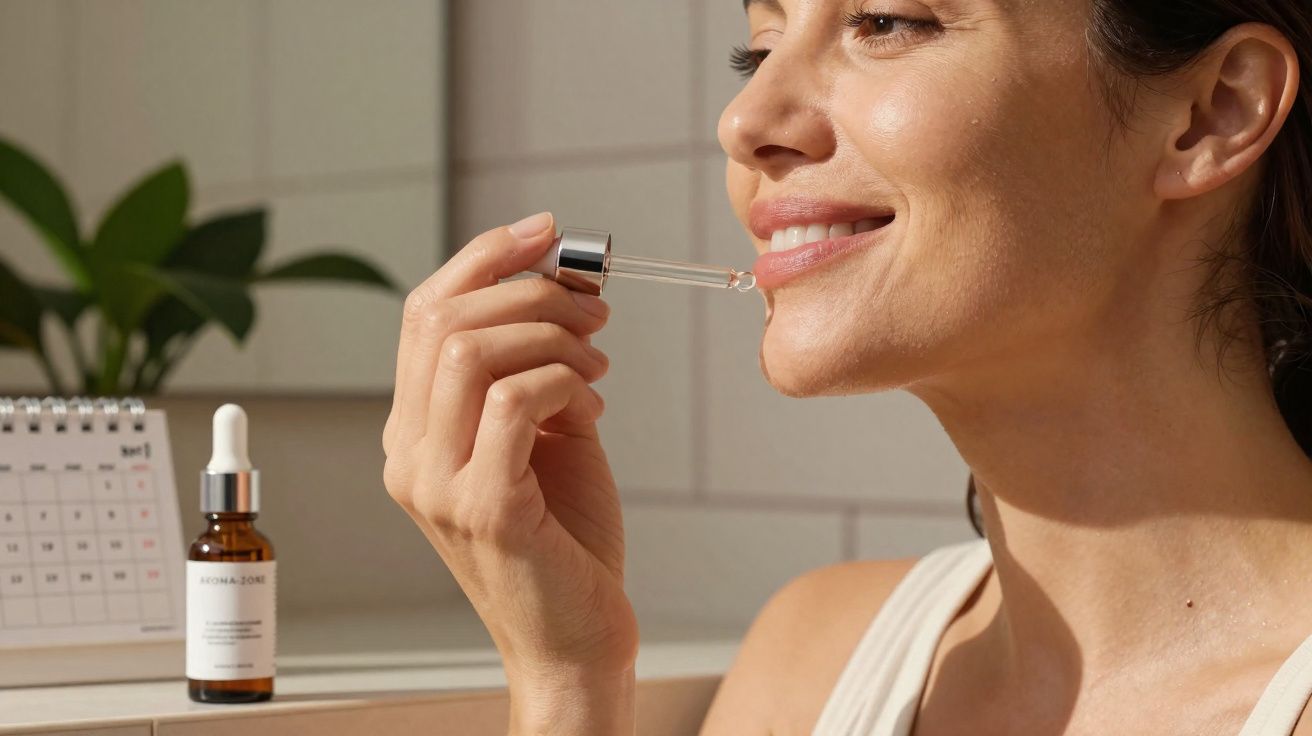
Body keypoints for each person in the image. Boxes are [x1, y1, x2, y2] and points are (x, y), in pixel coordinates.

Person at [382, 0, 1312, 733]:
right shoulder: (811, 656)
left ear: (1211, 112)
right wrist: (567, 681)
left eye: (886, 23)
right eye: (762, 44)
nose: (744, 120)